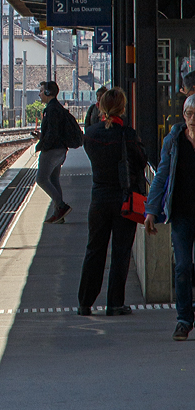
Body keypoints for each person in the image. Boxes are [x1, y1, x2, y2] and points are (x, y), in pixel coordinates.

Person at [77, 87, 147, 316]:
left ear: (100, 107)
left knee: (94, 249)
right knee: (121, 251)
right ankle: (115, 303)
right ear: (122, 108)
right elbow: (141, 160)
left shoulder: (90, 134)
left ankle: (85, 302)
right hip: (124, 199)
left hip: (98, 198)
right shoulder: (127, 134)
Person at [145, 96, 195, 339]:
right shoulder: (174, 141)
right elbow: (161, 176)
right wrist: (151, 210)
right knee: (182, 267)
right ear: (183, 116)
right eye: (189, 114)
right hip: (182, 215)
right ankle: (184, 319)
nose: (193, 119)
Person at [36, 81, 72, 223]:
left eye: (41, 91)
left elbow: (52, 132)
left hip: (52, 151)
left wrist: (43, 144)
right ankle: (58, 214)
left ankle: (61, 206)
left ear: (47, 92)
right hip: (60, 150)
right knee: (53, 179)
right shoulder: (57, 108)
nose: (39, 94)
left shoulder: (51, 110)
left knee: (41, 179)